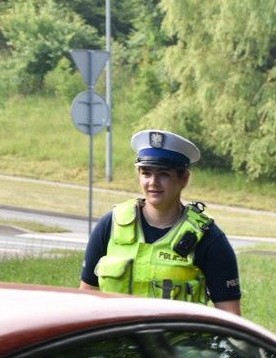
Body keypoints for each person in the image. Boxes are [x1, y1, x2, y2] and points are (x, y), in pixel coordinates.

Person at [79, 128, 241, 315]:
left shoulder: (209, 239)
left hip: (178, 344)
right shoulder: (110, 225)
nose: (153, 182)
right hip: (116, 343)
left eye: (163, 174)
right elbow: (87, 298)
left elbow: (231, 317)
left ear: (184, 178)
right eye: (146, 173)